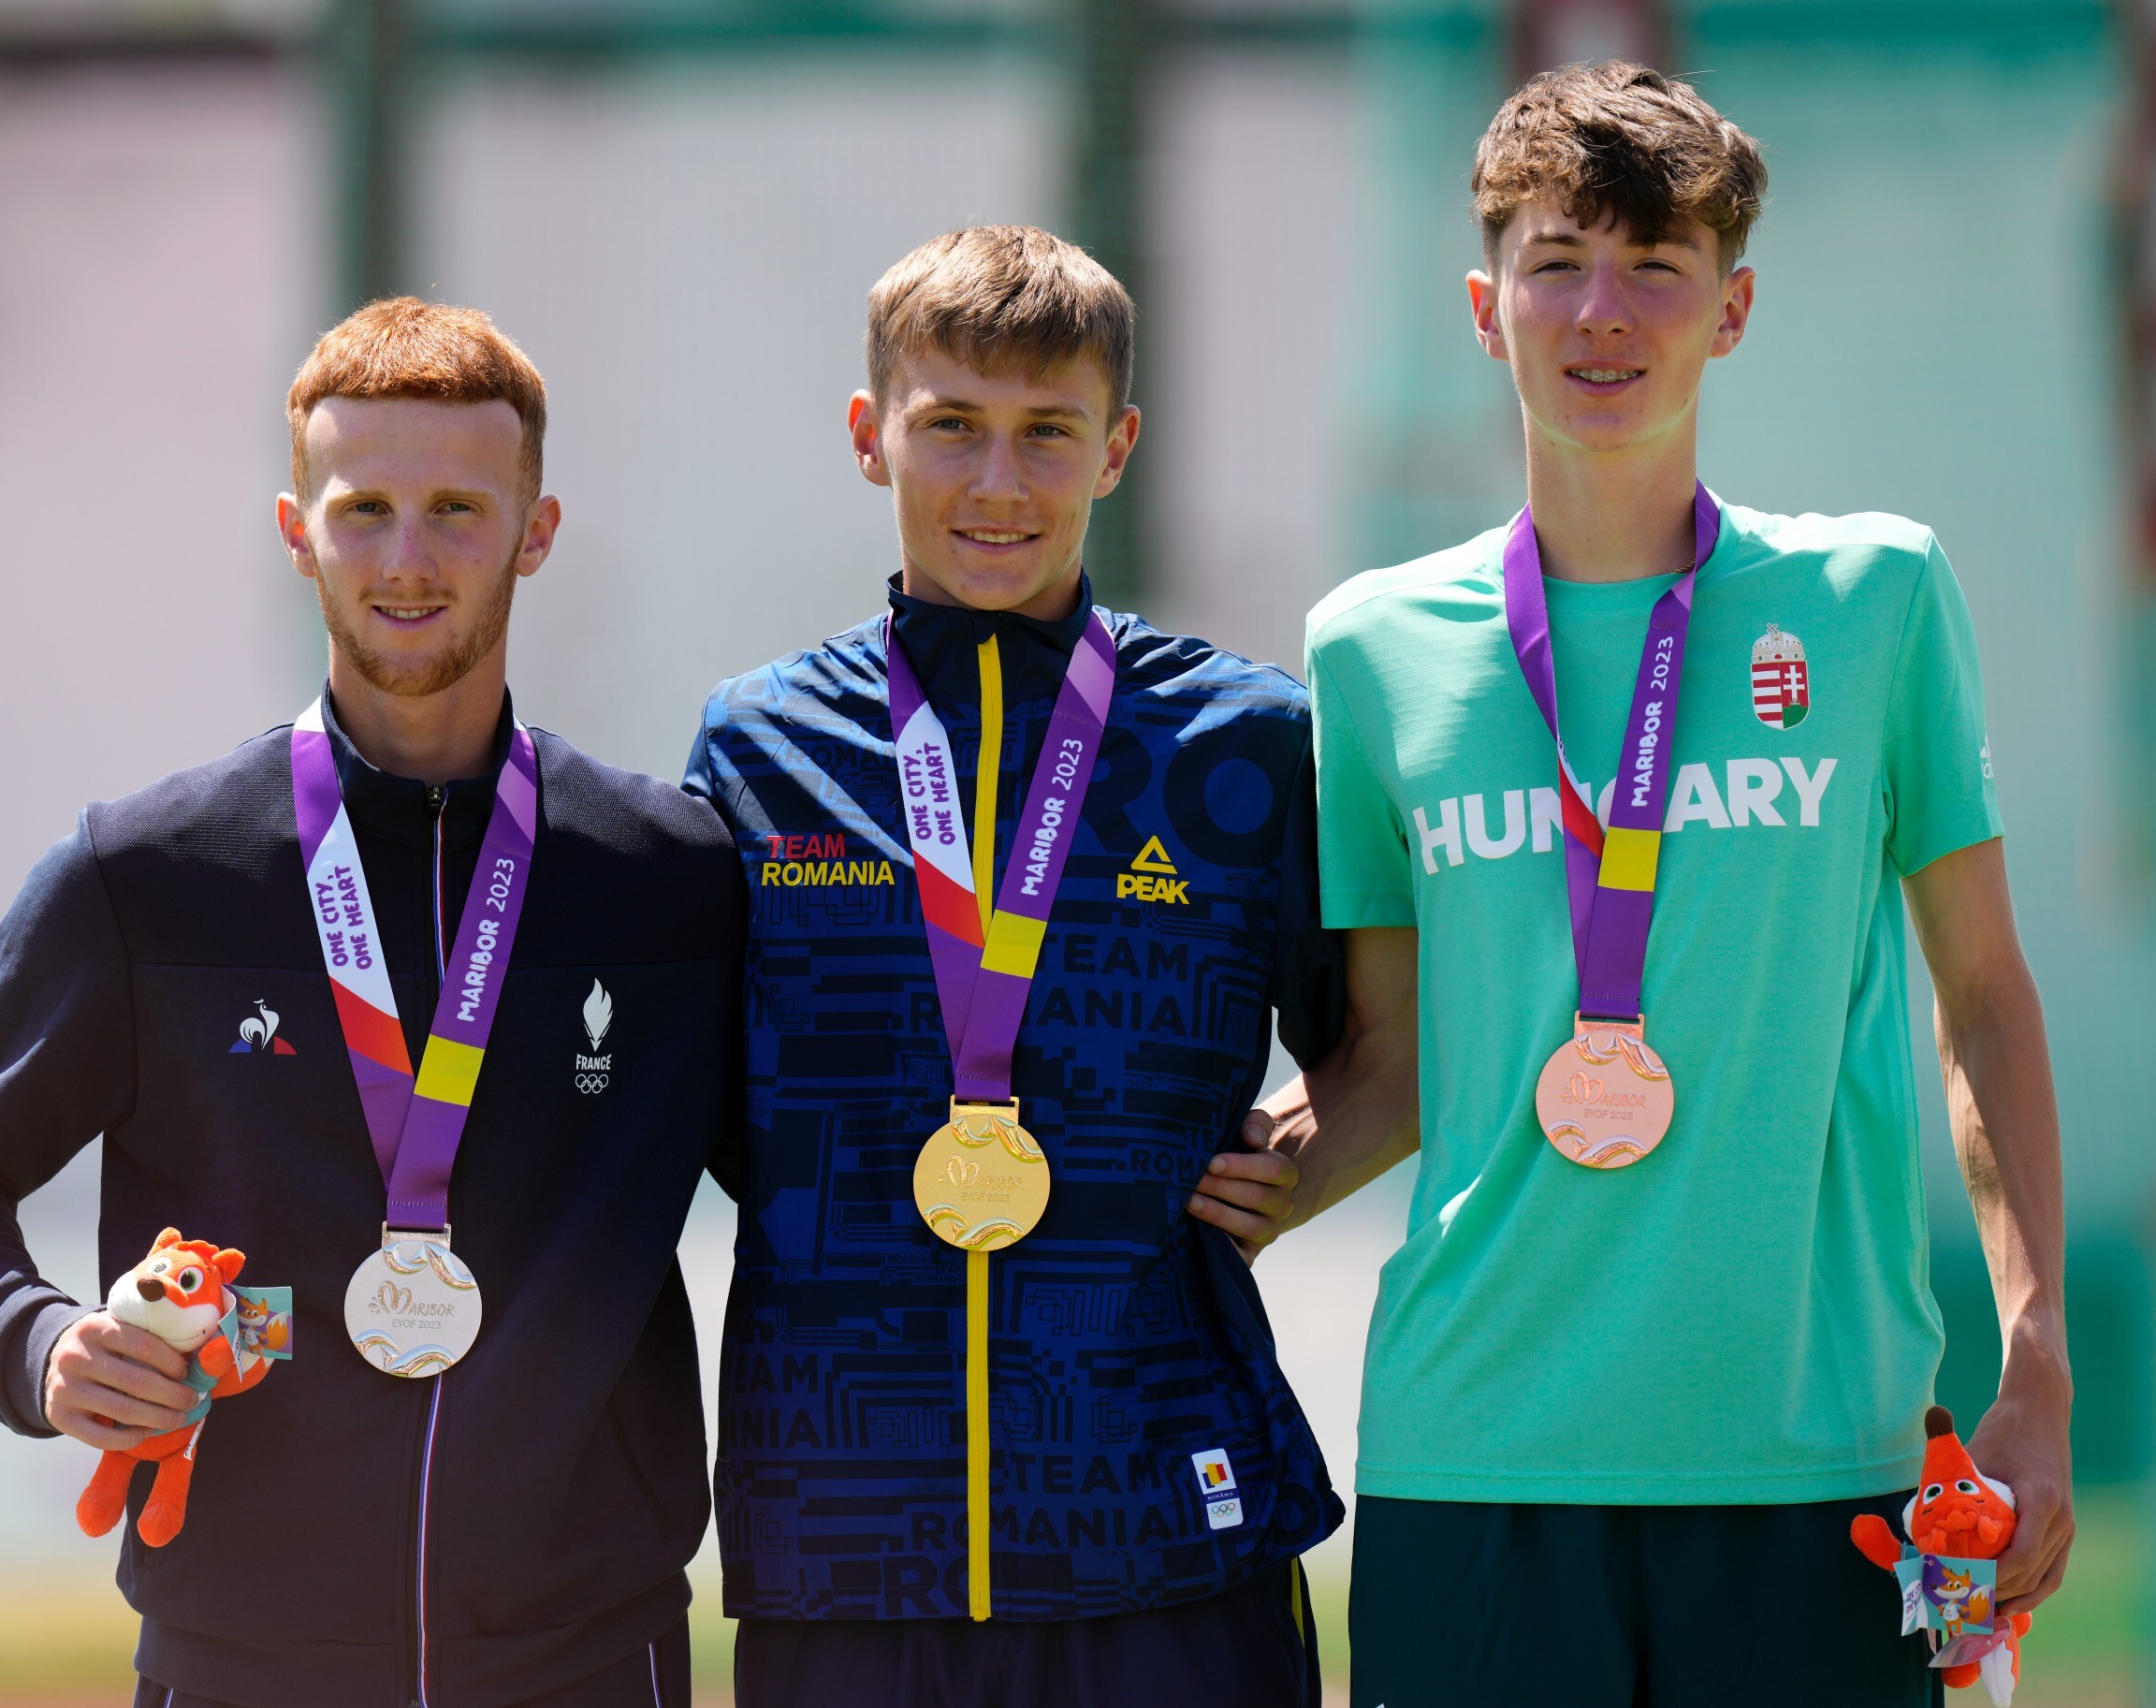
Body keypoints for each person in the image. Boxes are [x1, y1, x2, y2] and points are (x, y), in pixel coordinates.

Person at [1271, 64, 2076, 1706]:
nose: (1604, 312)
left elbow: (1983, 996)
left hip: (1824, 1461)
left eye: (1656, 265)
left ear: (1734, 308)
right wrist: (1150, 1199)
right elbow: (1397, 1064)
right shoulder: (1369, 649)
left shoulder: (1875, 597)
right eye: (1558, 261)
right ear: (1485, 307)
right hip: (1473, 1455)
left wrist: (2038, 1360)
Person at [0, 299, 739, 1708]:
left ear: (536, 530)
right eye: (364, 509)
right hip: (240, 1661)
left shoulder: (670, 881)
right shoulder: (146, 876)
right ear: (295, 530)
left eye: (458, 510)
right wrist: (38, 1343)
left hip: (588, 1655)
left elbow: (830, 1164)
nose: (408, 558)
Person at [682, 225, 1344, 1708]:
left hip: (1169, 1520)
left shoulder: (1241, 742)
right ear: (870, 436)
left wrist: (1307, 1155)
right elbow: (693, 1098)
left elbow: (1388, 1044)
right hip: (846, 1540)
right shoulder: (756, 745)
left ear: (1118, 447)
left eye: (1049, 430)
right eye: (951, 426)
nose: (998, 480)